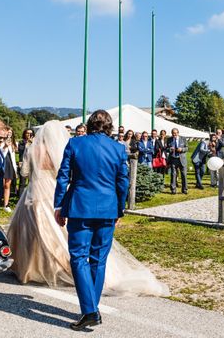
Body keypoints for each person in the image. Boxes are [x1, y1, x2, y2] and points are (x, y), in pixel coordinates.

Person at [49, 112, 168, 330]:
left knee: (78, 258)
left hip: (80, 207)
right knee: (98, 259)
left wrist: (58, 205)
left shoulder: (75, 143)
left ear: (89, 124)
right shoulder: (117, 148)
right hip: (107, 208)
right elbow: (122, 181)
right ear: (110, 126)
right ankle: (91, 308)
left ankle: (90, 310)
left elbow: (63, 176)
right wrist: (119, 208)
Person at [1, 126, 18, 213]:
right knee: (1, 184)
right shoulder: (0, 141)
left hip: (10, 165)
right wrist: (4, 146)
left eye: (11, 133)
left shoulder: (14, 143)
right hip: (2, 164)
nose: (9, 134)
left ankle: (6, 204)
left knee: (7, 185)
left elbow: (14, 157)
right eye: (8, 132)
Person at [167, 128, 187, 194]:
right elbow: (167, 149)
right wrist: (170, 149)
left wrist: (182, 149)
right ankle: (173, 189)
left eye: (175, 133)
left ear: (178, 133)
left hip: (182, 159)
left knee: (183, 175)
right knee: (173, 175)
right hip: (173, 159)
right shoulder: (169, 139)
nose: (174, 134)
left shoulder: (183, 139)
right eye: (173, 133)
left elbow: (187, 148)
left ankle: (184, 189)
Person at [17, 128, 35, 195]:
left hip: (32, 163)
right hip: (23, 163)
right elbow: (21, 151)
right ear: (24, 134)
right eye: (27, 133)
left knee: (32, 181)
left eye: (31, 133)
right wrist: (27, 144)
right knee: (22, 182)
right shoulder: (21, 142)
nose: (29, 135)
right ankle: (20, 198)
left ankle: (30, 196)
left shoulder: (35, 142)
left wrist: (32, 142)